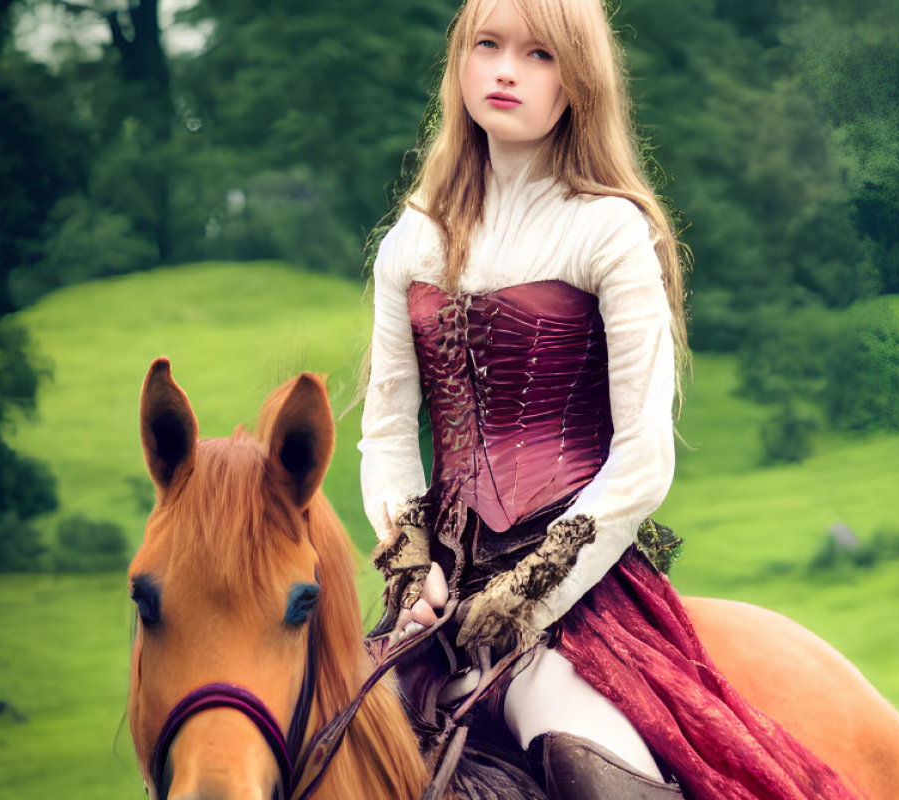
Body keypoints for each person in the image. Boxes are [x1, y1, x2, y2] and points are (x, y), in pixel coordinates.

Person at [359, 1, 856, 798]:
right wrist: (413, 568)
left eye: (540, 54)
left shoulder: (610, 231)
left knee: (587, 765)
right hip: (436, 598)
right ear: (460, 65)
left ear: (577, 82)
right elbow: (385, 432)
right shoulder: (410, 240)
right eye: (487, 45)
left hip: (577, 592)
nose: (507, 69)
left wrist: (529, 595)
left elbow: (643, 460)